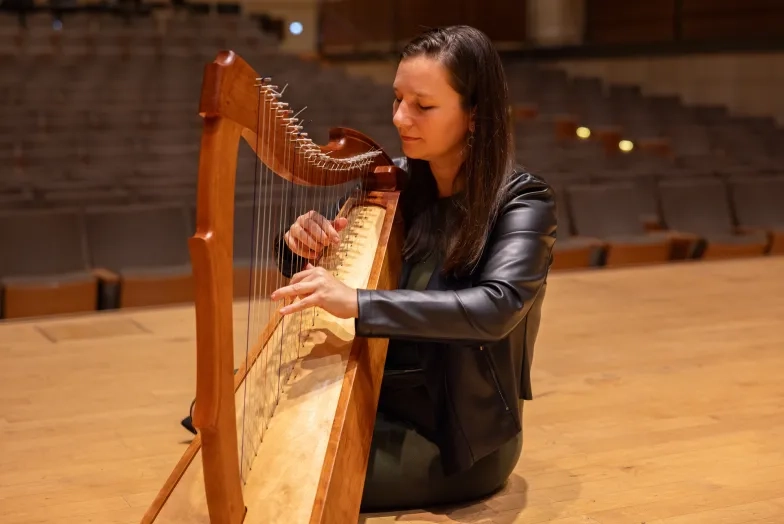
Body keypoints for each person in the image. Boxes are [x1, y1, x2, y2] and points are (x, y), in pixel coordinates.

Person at [270, 25, 557, 512]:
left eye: (423, 106)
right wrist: (304, 247)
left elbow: (496, 307)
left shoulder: (523, 202)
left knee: (286, 482)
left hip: (453, 436)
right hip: (375, 401)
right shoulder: (392, 185)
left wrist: (358, 303)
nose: (401, 118)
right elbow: (337, 277)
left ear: (474, 116)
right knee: (242, 443)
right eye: (398, 99)